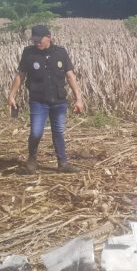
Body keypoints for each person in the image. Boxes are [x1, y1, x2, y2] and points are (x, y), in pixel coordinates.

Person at [7, 24, 85, 173]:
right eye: (34, 40)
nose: (36, 43)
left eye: (39, 40)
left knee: (58, 132)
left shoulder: (60, 52)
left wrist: (78, 99)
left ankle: (63, 163)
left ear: (49, 37)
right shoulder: (28, 53)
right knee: (36, 132)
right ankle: (32, 161)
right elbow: (20, 75)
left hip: (59, 101)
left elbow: (70, 76)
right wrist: (11, 96)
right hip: (38, 101)